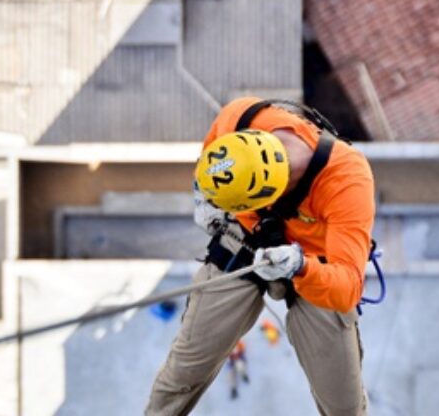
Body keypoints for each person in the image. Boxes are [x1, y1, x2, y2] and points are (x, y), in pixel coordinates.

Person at [147, 98, 375, 415]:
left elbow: (348, 286)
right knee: (184, 372)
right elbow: (208, 161)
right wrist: (205, 196)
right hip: (247, 239)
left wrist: (299, 266)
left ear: (273, 192)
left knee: (344, 407)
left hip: (317, 261)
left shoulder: (346, 180)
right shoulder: (239, 119)